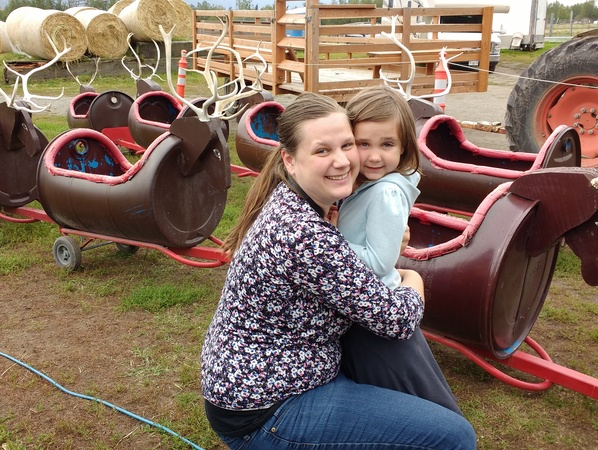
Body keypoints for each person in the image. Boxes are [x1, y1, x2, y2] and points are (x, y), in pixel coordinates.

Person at [201, 92, 476, 450]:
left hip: (258, 385)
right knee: (453, 438)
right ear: (290, 159)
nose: (343, 161)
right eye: (322, 151)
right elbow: (396, 319)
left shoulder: (302, 201)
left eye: (347, 145)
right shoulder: (304, 235)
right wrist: (413, 278)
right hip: (267, 411)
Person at [337, 84, 464, 415]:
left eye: (387, 144)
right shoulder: (369, 185)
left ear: (404, 147)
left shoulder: (386, 193)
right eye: (363, 144)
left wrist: (325, 241)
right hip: (362, 301)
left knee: (402, 394)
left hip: (374, 310)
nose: (375, 156)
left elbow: (379, 263)